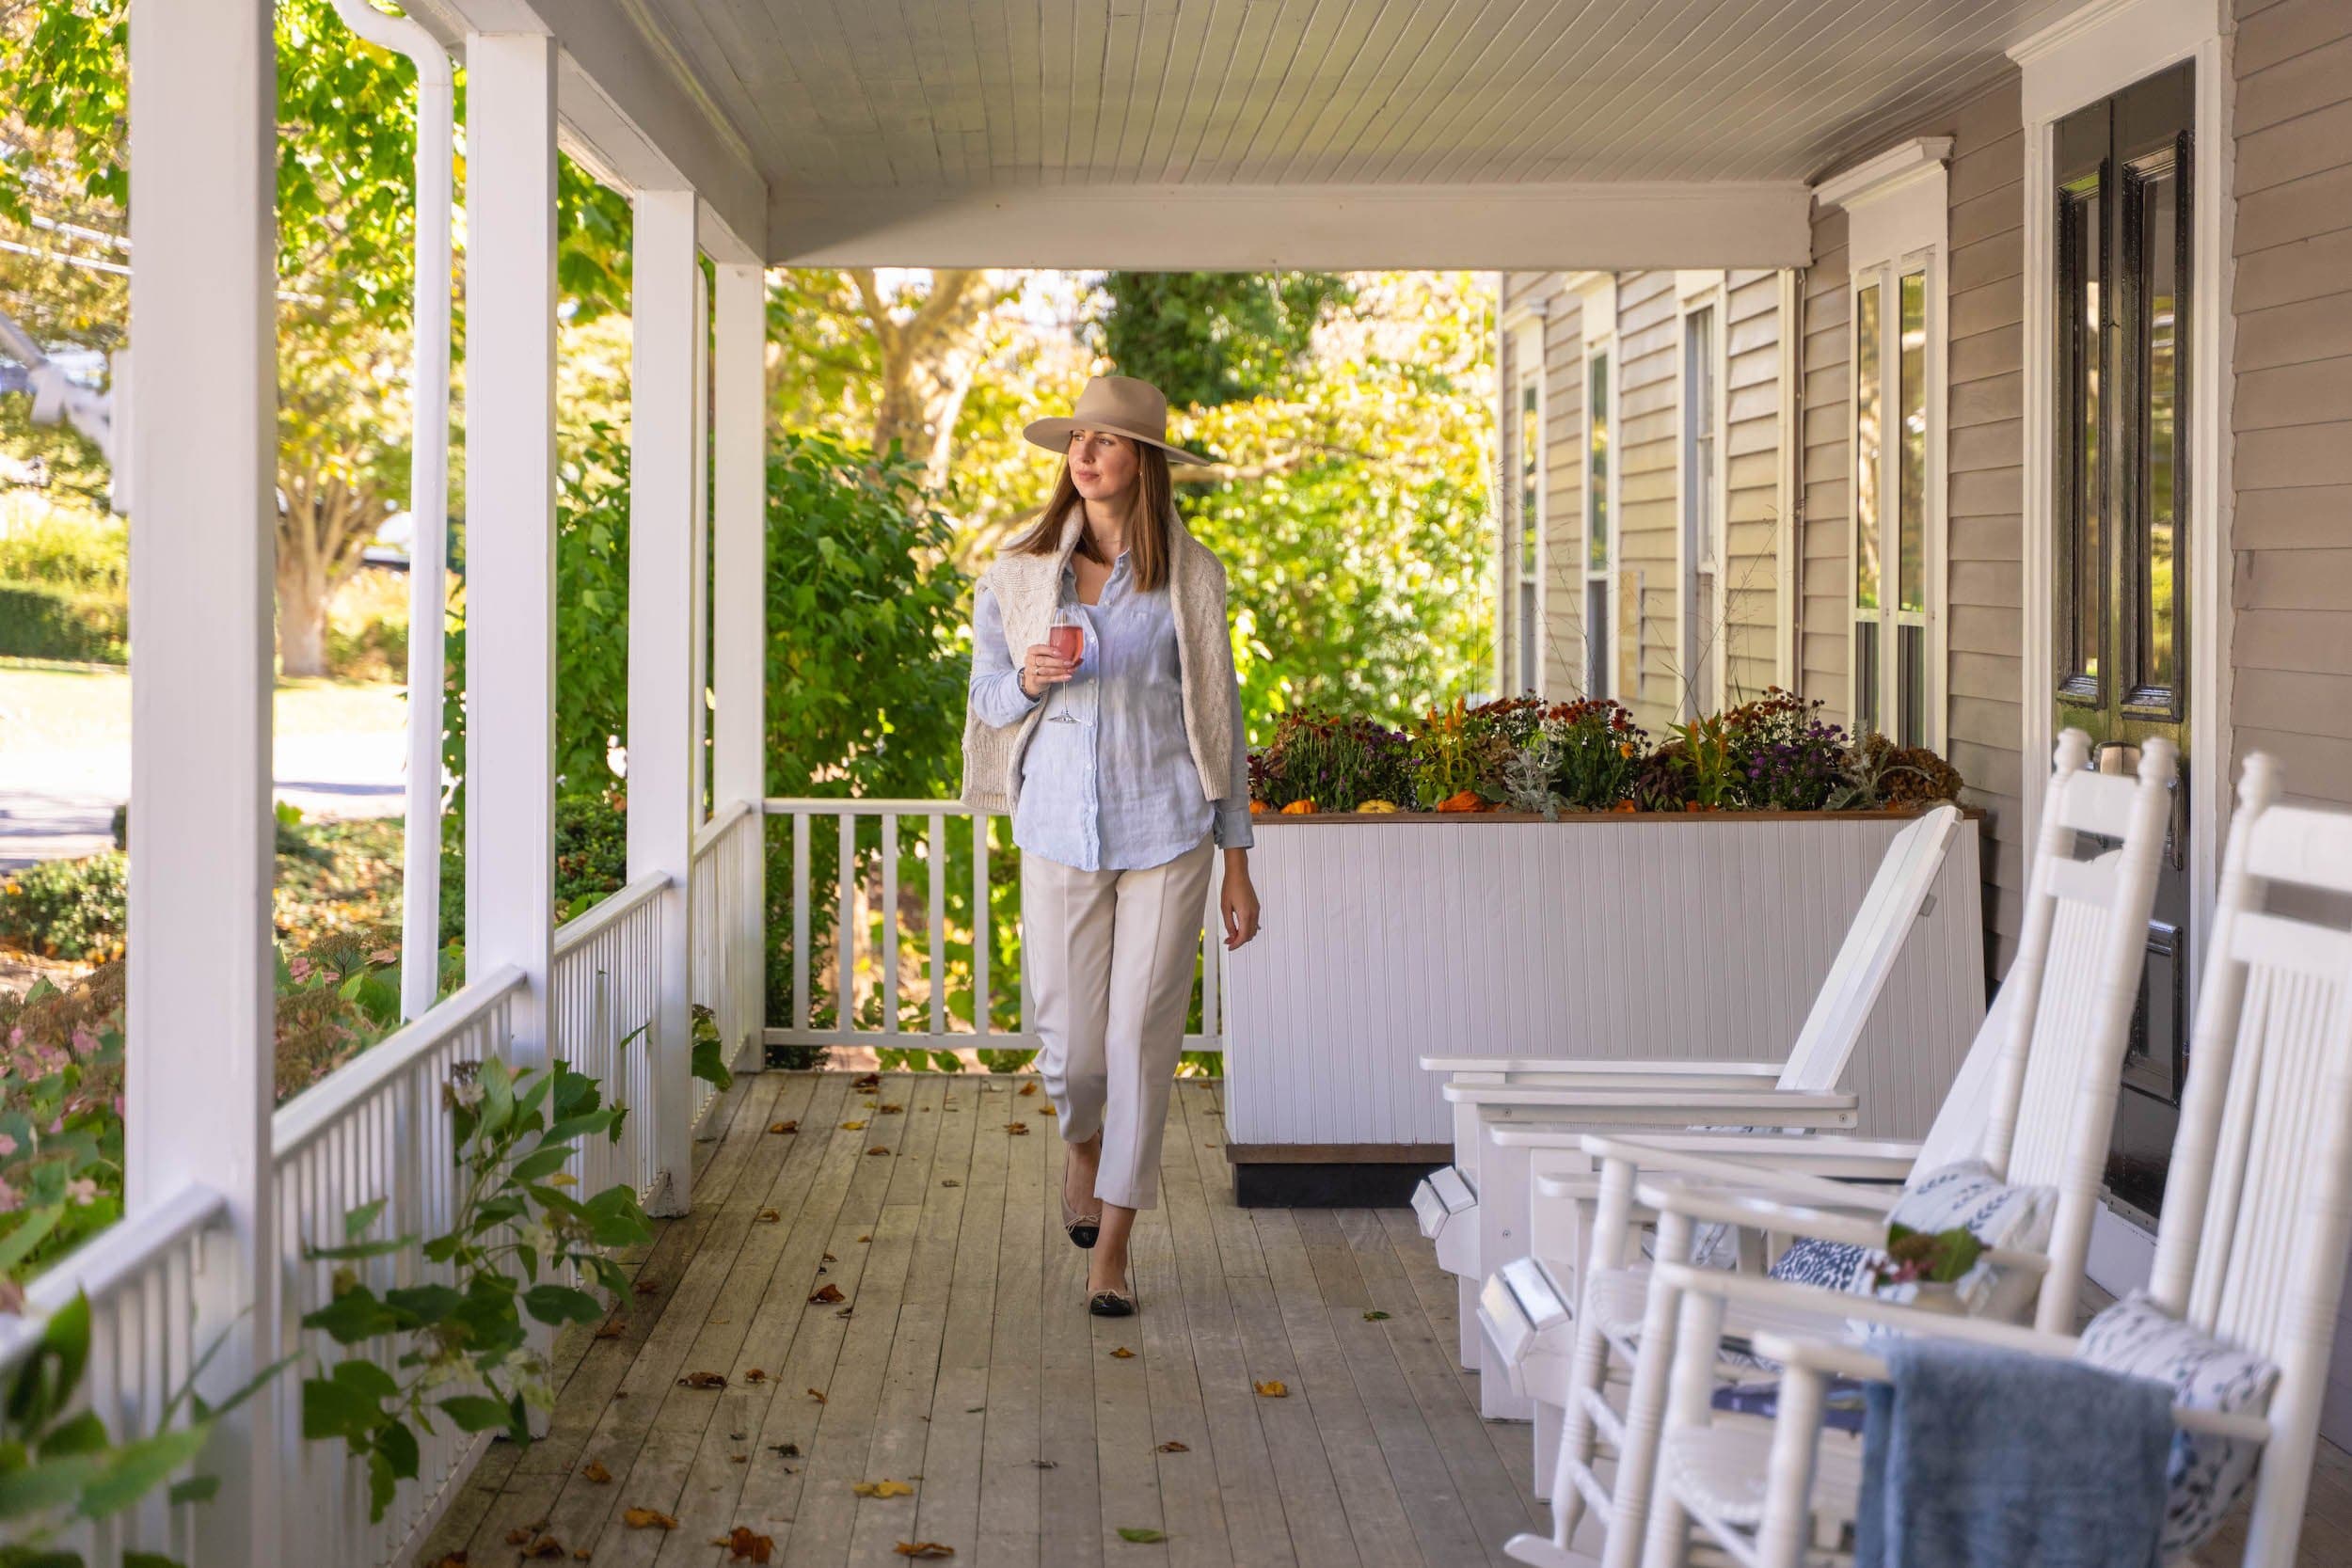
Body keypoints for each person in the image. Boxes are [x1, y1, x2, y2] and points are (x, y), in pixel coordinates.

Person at [962, 374, 1262, 1316]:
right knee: (1073, 1052)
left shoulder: (1192, 575)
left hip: (1168, 829)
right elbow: (985, 701)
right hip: (1056, 827)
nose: (1085, 453)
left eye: (1108, 441)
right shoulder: (1016, 573)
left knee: (1139, 1040)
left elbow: (1218, 718)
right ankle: (1080, 1141)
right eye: (1078, 439)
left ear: (1143, 465)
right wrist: (1026, 675)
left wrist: (1238, 862)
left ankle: (1113, 1252)